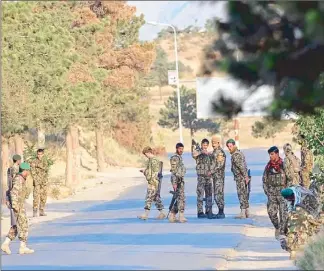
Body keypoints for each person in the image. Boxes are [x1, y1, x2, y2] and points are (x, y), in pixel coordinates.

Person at [279, 186, 321, 260]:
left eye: (289, 198)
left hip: (305, 224)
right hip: (296, 230)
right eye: (287, 199)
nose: (288, 200)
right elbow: (284, 220)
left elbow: (315, 213)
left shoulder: (308, 198)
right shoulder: (288, 203)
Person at [1, 162, 34, 255]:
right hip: (18, 206)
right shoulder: (19, 179)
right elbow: (13, 193)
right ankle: (22, 247)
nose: (28, 173)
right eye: (27, 171)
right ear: (25, 170)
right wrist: (15, 206)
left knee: (15, 226)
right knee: (24, 225)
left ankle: (5, 244)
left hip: (18, 205)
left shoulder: (21, 178)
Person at [262, 146, 288, 240]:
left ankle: (282, 232)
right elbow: (264, 180)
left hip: (283, 193)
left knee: (283, 214)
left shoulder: (283, 165)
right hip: (272, 194)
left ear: (277, 154)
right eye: (269, 154)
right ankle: (277, 227)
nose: (270, 156)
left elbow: (289, 178)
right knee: (271, 213)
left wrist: (288, 191)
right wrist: (267, 192)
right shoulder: (268, 166)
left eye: (272, 154)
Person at [138, 146, 166, 220]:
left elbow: (153, 173)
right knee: (155, 199)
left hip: (153, 182)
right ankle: (162, 213)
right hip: (154, 181)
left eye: (145, 154)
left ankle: (145, 214)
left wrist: (145, 172)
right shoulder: (152, 160)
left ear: (148, 153)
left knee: (149, 197)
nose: (145, 156)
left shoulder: (153, 160)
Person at [192, 138, 216, 219]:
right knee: (200, 195)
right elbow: (194, 154)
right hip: (201, 177)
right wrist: (201, 151)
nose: (205, 147)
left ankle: (209, 210)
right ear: (201, 145)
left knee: (209, 194)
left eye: (206, 145)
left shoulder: (209, 154)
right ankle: (200, 212)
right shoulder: (198, 152)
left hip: (208, 177)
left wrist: (211, 171)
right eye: (203, 145)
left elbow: (214, 164)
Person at [226, 139, 250, 218]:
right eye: (228, 146)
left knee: (241, 194)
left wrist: (246, 176)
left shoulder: (235, 155)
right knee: (244, 193)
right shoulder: (239, 153)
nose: (229, 148)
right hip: (241, 176)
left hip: (240, 177)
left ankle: (243, 212)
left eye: (230, 146)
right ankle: (246, 211)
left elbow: (241, 166)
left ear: (234, 145)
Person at [169, 143, 187, 223]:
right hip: (176, 179)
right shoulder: (174, 158)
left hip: (180, 179)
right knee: (181, 198)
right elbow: (174, 171)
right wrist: (174, 182)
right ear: (176, 148)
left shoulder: (179, 157)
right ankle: (181, 216)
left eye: (182, 149)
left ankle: (173, 214)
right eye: (180, 149)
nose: (181, 150)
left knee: (180, 197)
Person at [210, 135, 226, 219]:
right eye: (212, 143)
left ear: (219, 143)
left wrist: (211, 171)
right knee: (216, 194)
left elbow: (219, 165)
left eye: (215, 143)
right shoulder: (214, 151)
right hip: (215, 176)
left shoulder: (220, 152)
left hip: (219, 176)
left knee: (218, 194)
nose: (213, 144)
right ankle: (220, 212)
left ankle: (221, 212)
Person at [30, 149, 50, 217]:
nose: (39, 156)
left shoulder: (45, 161)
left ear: (43, 154)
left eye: (41, 154)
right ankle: (35, 211)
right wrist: (35, 179)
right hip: (37, 181)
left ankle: (41, 211)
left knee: (44, 196)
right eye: (38, 154)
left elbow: (46, 168)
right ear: (37, 154)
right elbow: (32, 171)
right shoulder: (33, 161)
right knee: (36, 196)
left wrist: (37, 165)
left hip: (44, 181)